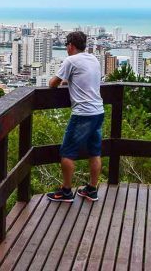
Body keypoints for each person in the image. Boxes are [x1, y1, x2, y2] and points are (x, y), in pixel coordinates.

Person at [46, 31, 104, 202]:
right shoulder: (93, 59)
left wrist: (63, 80)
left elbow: (52, 84)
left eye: (66, 46)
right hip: (98, 111)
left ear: (70, 46)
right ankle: (92, 189)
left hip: (82, 114)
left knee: (67, 152)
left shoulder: (71, 60)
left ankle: (66, 191)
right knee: (94, 152)